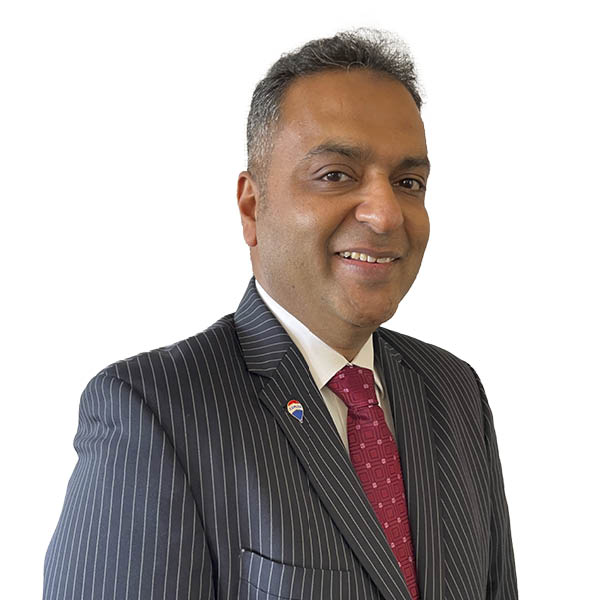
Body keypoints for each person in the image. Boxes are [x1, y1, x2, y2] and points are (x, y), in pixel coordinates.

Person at [44, 29, 518, 600]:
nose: (386, 214)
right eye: (335, 175)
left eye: (408, 182)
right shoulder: (154, 412)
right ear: (252, 206)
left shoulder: (456, 392)